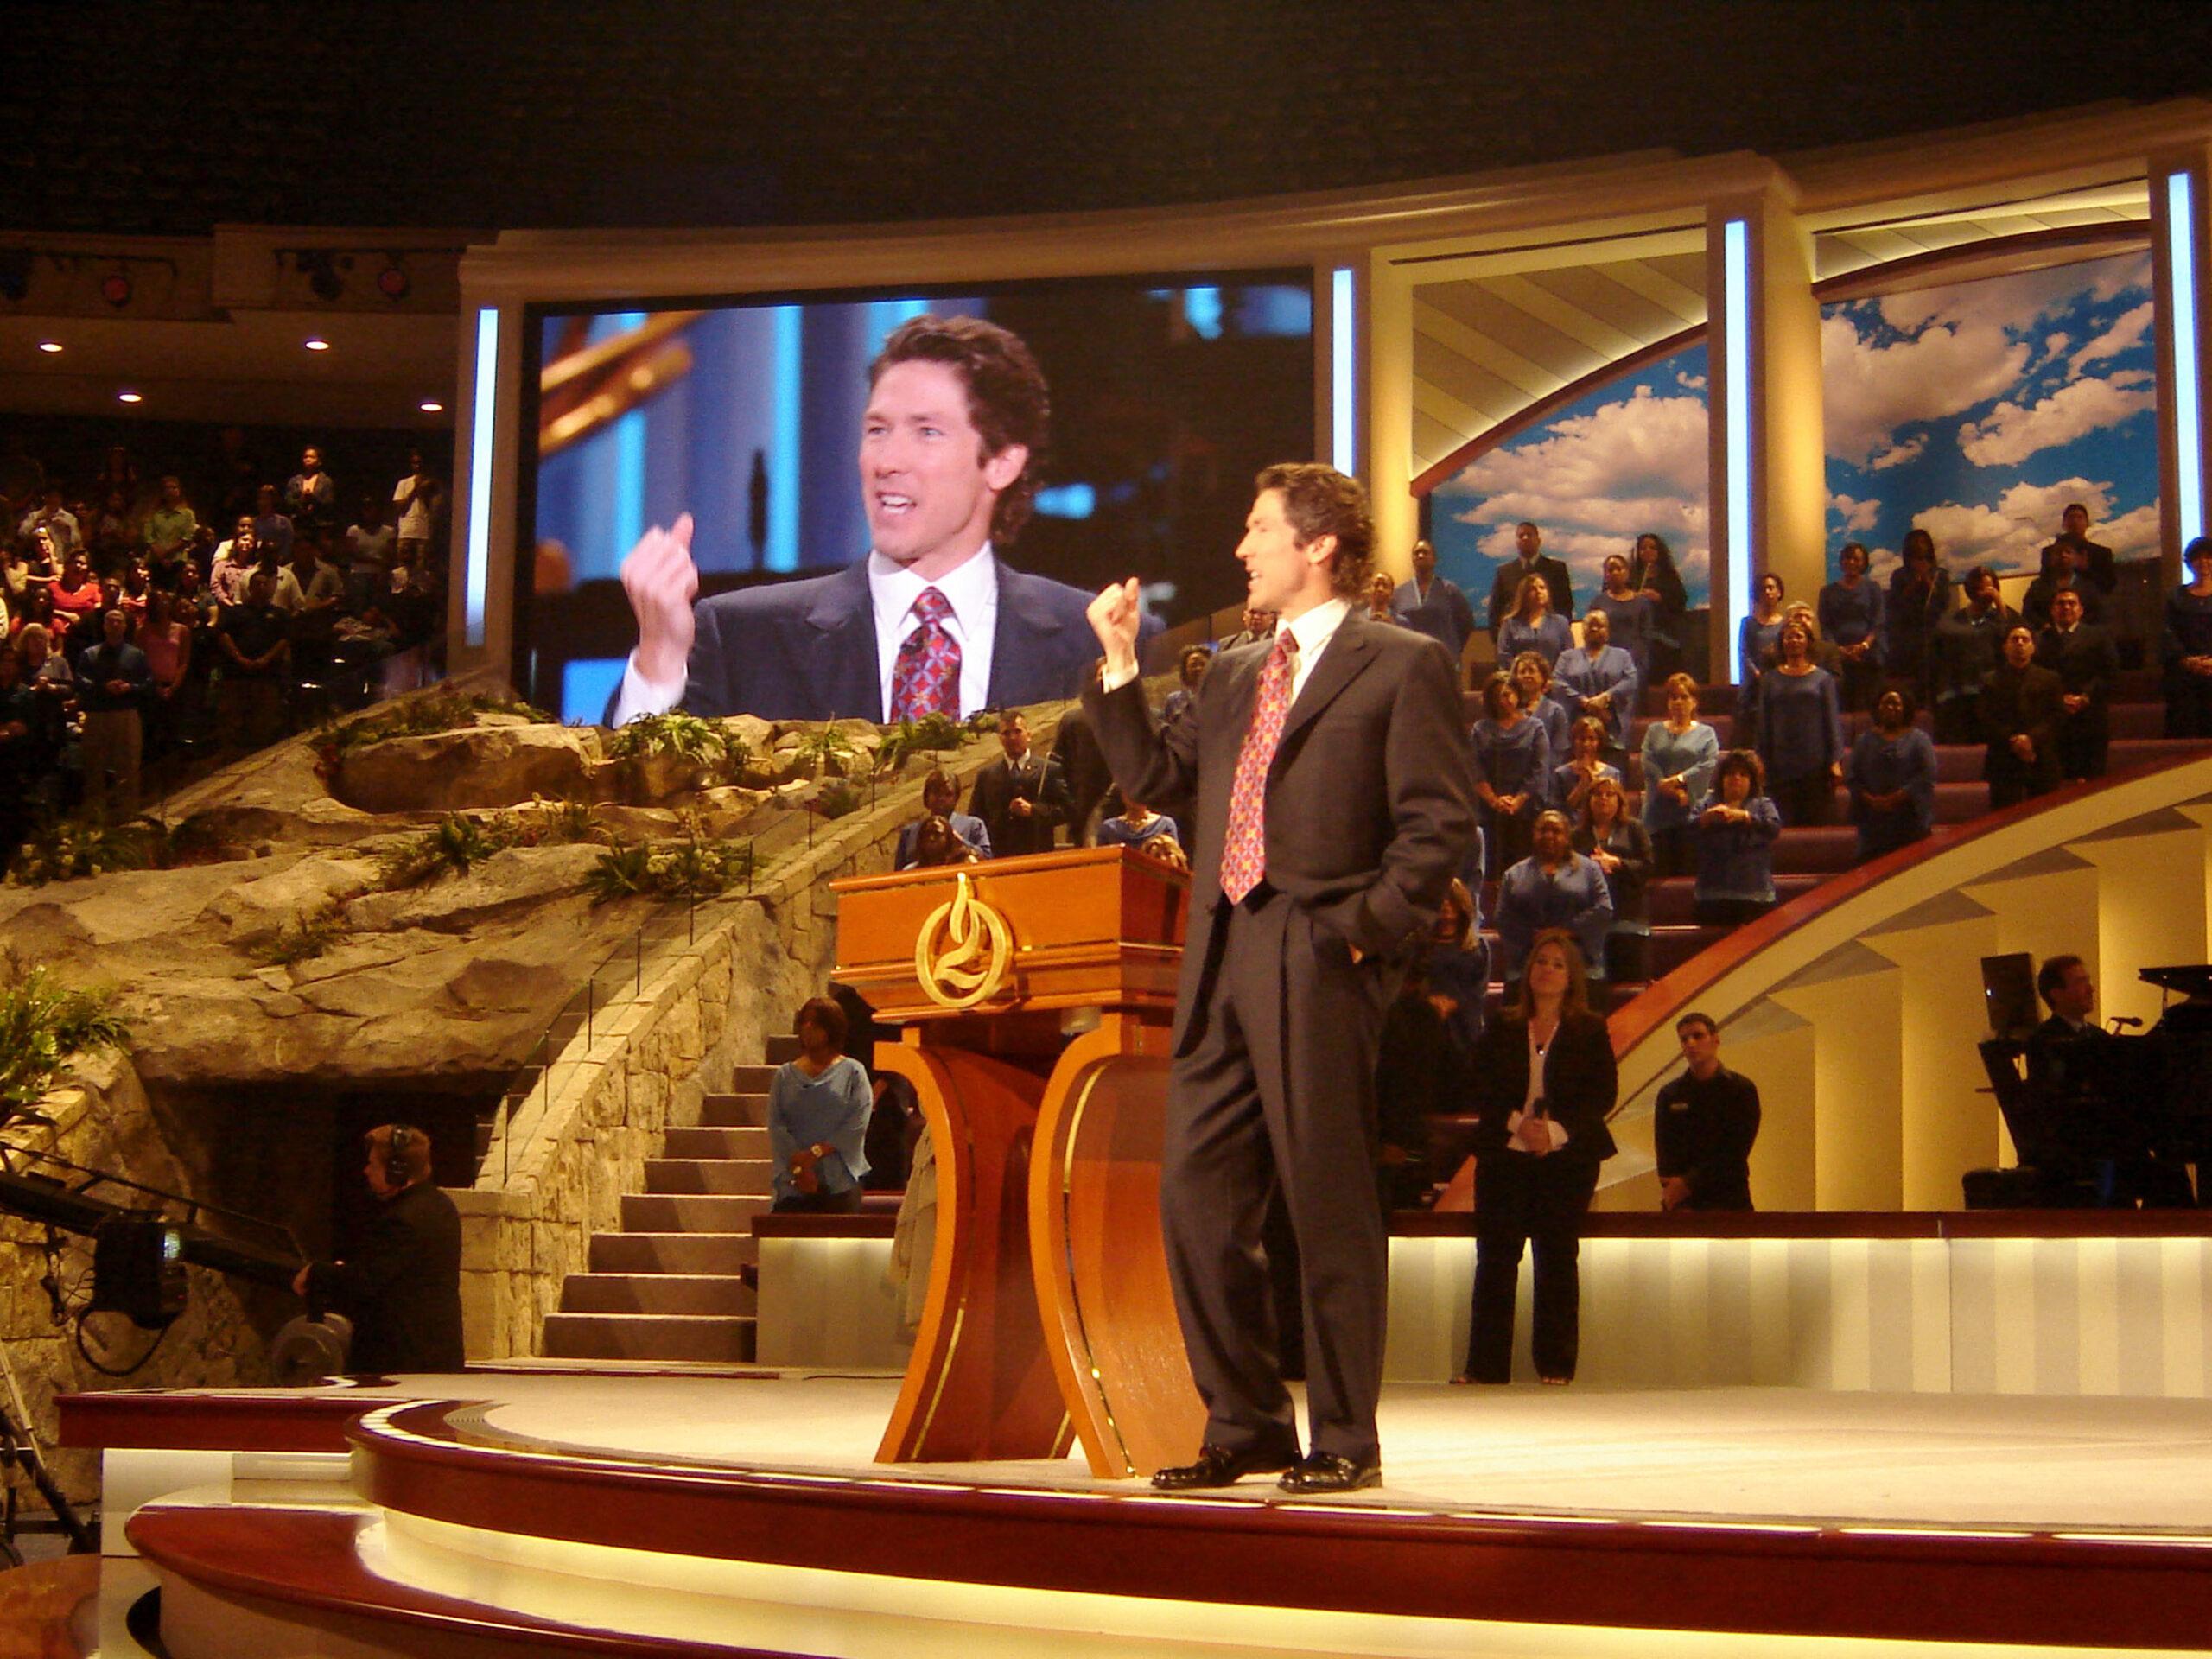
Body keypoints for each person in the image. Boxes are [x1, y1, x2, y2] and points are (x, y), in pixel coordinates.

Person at [1083, 460, 1475, 1495]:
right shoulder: (1233, 673)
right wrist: (1120, 665)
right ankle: (1244, 1421)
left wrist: (1357, 933)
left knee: (1327, 1202)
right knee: (1197, 1200)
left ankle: (1346, 1434)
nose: (1241, 548)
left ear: (1318, 548)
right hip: (1219, 954)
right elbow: (1160, 783)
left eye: (1258, 529)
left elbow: (1439, 823)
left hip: (1314, 951)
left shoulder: (1401, 664)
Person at [612, 314, 1144, 724]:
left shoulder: (1099, 643)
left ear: (1003, 462)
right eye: (877, 430)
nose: (887, 461)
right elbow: (630, 824)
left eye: (926, 431)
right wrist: (659, 659)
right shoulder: (743, 638)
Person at [1459, 929, 1618, 1384]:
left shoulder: (1590, 1029)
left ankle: (1556, 1364)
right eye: (1540, 962)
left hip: (1566, 1157)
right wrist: (1518, 1124)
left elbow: (1601, 1094)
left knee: (1557, 1257)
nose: (1546, 970)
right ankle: (1485, 1366)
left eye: (1557, 964)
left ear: (1572, 978)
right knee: (1495, 1258)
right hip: (1505, 1153)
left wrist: (1553, 1131)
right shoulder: (1503, 1024)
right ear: (1528, 972)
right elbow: (1481, 1086)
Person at [292, 1124, 464, 1374]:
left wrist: (317, 1273)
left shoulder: (402, 1219)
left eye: (373, 1165)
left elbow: (365, 1282)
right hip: (435, 1357)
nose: (366, 1171)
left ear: (396, 1172)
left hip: (402, 1364)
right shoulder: (441, 1205)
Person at [767, 996, 872, 1213]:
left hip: (840, 1182)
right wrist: (800, 1166)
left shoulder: (853, 1072)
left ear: (831, 1029)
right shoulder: (785, 1075)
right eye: (804, 1021)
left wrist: (815, 1154)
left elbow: (857, 1122)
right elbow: (777, 1125)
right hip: (795, 1180)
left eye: (815, 1023)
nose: (808, 1028)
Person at [1653, 1012, 1760, 1211]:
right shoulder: (1669, 1094)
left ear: (1715, 1039)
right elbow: (1665, 1154)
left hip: (1730, 1198)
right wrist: (1674, 1190)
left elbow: (1735, 1152)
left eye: (1698, 1036)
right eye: (1684, 1039)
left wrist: (1688, 1183)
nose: (1691, 1044)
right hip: (1683, 1203)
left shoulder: (1740, 1090)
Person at [1494, 810, 1612, 985]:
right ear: (1534, 834)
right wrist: (1536, 937)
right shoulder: (1514, 874)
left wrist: (1566, 931)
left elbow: (1604, 909)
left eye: (1556, 831)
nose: (1548, 835)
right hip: (1526, 963)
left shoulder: (1590, 870)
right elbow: (1503, 916)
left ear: (1567, 837)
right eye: (1543, 830)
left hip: (1580, 963)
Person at [1752, 617, 1844, 826]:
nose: (1793, 641)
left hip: (1815, 762)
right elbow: (1762, 723)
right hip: (1779, 763)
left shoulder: (1823, 679)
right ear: (1781, 642)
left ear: (1808, 642)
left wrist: (1835, 760)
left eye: (1798, 636)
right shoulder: (1770, 680)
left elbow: (1832, 721)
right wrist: (1759, 757)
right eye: (1788, 637)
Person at [1639, 672, 1720, 877]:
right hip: (1657, 810)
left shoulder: (1706, 733)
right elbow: (1648, 761)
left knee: (1687, 873)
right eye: (1673, 697)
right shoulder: (1654, 730)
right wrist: (1666, 787)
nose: (1678, 702)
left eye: (1684, 697)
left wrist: (1680, 780)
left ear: (1694, 701)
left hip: (1690, 810)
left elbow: (1707, 764)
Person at [1574, 775, 1653, 984]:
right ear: (1588, 801)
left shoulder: (1634, 829)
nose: (1603, 799)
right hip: (1590, 923)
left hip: (1628, 918)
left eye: (1610, 795)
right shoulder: (1577, 835)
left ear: (1620, 801)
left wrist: (1617, 863)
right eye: (1597, 794)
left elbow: (1648, 867)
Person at [1471, 671, 1549, 878]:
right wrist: (1494, 800)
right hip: (1489, 809)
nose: (1503, 701)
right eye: (1497, 696)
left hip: (1525, 808)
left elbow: (1539, 769)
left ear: (1517, 694)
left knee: (1524, 870)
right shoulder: (1481, 729)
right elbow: (1474, 768)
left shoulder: (1535, 727)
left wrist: (1518, 800)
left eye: (1507, 694)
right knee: (1490, 870)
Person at [2036, 586, 2118, 781]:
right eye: (2060, 603)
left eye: (2071, 603)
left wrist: (2085, 696)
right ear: (2052, 609)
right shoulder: (2038, 640)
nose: (2066, 607)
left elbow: (2109, 672)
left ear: (2081, 609)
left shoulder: (2099, 636)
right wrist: (2059, 699)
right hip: (2054, 720)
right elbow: (2036, 677)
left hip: (2091, 717)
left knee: (2092, 783)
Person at [73, 610, 149, 817]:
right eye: (110, 621)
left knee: (129, 766)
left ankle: (128, 813)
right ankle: (96, 815)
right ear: (104, 626)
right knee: (94, 767)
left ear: (125, 626)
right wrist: (103, 687)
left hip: (126, 714)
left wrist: (130, 687)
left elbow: (147, 683)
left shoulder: (136, 654)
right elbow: (80, 681)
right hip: (98, 715)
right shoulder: (90, 654)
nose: (115, 624)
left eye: (119, 621)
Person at [1846, 688, 1936, 862]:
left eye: (1895, 703)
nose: (1890, 708)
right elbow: (1853, 777)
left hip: (1909, 820)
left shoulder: (1919, 740)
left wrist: (1896, 798)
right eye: (1886, 703)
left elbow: (1926, 776)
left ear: (1905, 708)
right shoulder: (1864, 741)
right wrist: (1871, 800)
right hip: (1873, 822)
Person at [1693, 749, 1782, 925]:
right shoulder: (1706, 803)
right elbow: (1688, 832)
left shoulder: (1763, 804)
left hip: (1755, 895)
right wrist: (1705, 819)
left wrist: (1746, 817)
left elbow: (1773, 829)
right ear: (1722, 779)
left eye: (1743, 774)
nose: (1736, 778)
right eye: (1731, 773)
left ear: (1752, 781)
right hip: (1712, 895)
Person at [1981, 623, 2063, 810]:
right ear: (2005, 647)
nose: (2020, 643)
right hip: (2004, 757)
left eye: (2025, 640)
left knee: (2045, 818)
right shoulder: (1989, 680)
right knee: (2003, 820)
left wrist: (2031, 739)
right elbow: (1986, 718)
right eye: (2014, 639)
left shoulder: (2050, 679)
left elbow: (2057, 716)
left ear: (2033, 647)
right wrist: (2015, 741)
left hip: (2041, 755)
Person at [968, 709, 1070, 858]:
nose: (1012, 737)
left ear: (1028, 735)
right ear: (1000, 738)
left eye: (1017, 731)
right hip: (1000, 857)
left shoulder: (1048, 769)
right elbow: (976, 819)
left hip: (1038, 853)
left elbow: (1067, 810)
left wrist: (1034, 811)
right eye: (1006, 733)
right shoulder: (987, 776)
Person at [1933, 565, 2017, 744]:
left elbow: (2013, 637)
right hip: (1959, 695)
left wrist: (1999, 602)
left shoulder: (2001, 617)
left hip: (1992, 694)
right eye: (1980, 588)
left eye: (1990, 588)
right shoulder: (1951, 621)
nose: (1985, 593)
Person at [1550, 606, 1638, 752]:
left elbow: (1631, 680)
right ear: (1583, 630)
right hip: (1575, 722)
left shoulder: (1622, 656)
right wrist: (1583, 701)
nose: (1595, 629)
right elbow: (1557, 682)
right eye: (1591, 625)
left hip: (1612, 722)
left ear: (1608, 631)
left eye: (1600, 626)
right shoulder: (1567, 657)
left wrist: (1606, 697)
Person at [1885, 529, 1951, 705]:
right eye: (1916, 544)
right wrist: (1915, 583)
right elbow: (1896, 604)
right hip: (1907, 639)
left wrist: (1928, 581)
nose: (1920, 547)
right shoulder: (1899, 575)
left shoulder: (1940, 574)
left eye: (1923, 543)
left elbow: (1944, 603)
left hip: (1934, 636)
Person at [1818, 541, 1885, 713]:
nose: (1852, 563)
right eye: (1848, 558)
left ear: (1864, 563)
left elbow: (1878, 622)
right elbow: (1825, 626)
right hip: (1837, 657)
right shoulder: (1827, 592)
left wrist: (1863, 646)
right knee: (1841, 708)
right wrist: (1838, 650)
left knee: (1867, 707)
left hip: (1868, 656)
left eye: (1857, 559)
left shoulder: (1873, 588)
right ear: (1841, 561)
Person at [1391, 537, 1477, 665]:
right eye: (1417, 553)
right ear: (1412, 559)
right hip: (1410, 662)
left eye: (1425, 552)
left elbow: (1466, 623)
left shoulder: (1449, 590)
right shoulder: (1399, 594)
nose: (1420, 556)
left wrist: (1452, 647)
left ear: (1434, 559)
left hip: (1443, 660)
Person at [1486, 520, 1575, 639]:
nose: (1525, 538)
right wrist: (1500, 639)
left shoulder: (1556, 569)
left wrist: (1560, 636)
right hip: (1515, 641)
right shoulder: (1504, 572)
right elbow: (1495, 610)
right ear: (1516, 542)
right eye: (1521, 536)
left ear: (1538, 541)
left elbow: (1566, 606)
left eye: (1529, 534)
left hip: (1550, 641)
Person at [2164, 536, 2212, 740]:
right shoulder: (2176, 596)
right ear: (2189, 563)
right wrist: (2186, 660)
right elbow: (2168, 633)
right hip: (2184, 675)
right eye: (2197, 558)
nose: (2203, 562)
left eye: (2209, 557)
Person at [893, 767, 991, 868]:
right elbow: (898, 874)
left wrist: (961, 842)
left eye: (948, 794)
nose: (941, 798)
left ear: (956, 797)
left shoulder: (973, 825)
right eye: (936, 793)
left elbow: (988, 859)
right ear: (926, 797)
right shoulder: (910, 833)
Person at [1587, 552, 1657, 684]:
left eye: (1619, 569)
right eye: (1610, 570)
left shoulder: (1641, 603)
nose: (1615, 573)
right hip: (1604, 664)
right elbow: (1591, 635)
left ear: (1627, 573)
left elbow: (1646, 635)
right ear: (1605, 575)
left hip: (1635, 664)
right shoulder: (1597, 603)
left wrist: (1627, 659)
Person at [1630, 531, 1688, 680]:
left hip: (1665, 641)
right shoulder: (1633, 577)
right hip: (1640, 640)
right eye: (1643, 548)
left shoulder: (1669, 576)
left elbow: (1680, 603)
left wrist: (1660, 598)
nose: (1647, 551)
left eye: (1652, 548)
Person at [2021, 537, 2105, 632]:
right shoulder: (2038, 585)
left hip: (2083, 638)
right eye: (2058, 552)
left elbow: (2097, 615)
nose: (2063, 555)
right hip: (2046, 638)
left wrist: (2076, 628)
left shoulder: (2089, 587)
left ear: (2076, 558)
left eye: (2068, 552)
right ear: (2051, 558)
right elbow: (2028, 613)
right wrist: (2045, 626)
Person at [1497, 572, 1571, 671]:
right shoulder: (1510, 624)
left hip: (1553, 682)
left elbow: (1568, 656)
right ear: (1524, 595)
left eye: (1542, 588)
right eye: (1533, 589)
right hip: (1519, 681)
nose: (1539, 591)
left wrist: (1552, 679)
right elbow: (1504, 656)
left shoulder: (1560, 623)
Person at [1550, 714, 1620, 820]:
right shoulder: (1560, 774)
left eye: (1592, 739)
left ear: (1599, 742)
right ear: (1574, 741)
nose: (1586, 744)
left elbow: (1616, 808)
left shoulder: (1612, 774)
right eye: (1582, 739)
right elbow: (1559, 812)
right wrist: (1582, 784)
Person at [2039, 502, 2117, 595]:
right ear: (2064, 523)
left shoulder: (2102, 553)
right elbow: (2043, 584)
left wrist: (2085, 569)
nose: (2075, 521)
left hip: (2091, 605)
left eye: (2080, 517)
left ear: (2087, 523)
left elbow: (2109, 586)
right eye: (2071, 517)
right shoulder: (2049, 553)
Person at [1509, 650, 1569, 763]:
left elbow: (1559, 751)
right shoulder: (1509, 708)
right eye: (1522, 672)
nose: (1527, 675)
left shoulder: (1556, 711)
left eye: (1531, 671)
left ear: (1543, 677)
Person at [1096, 792, 1186, 866]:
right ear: (1122, 794)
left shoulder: (1166, 824)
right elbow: (1100, 865)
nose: (1137, 796)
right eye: (1132, 791)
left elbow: (1176, 861)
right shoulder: (1108, 828)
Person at [1738, 570, 1786, 691]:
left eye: (1771, 588)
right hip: (1754, 685)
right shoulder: (1748, 623)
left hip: (1781, 682)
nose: (1767, 592)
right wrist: (1757, 673)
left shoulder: (1786, 624)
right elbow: (1744, 653)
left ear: (1779, 592)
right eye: (1763, 589)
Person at [285, 446, 337, 532]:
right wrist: (301, 500)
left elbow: (329, 503)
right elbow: (287, 501)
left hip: (320, 525)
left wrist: (313, 498)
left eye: (312, 457)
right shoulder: (294, 481)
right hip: (298, 524)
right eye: (306, 457)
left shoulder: (326, 481)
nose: (308, 459)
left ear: (319, 462)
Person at [1161, 644, 1211, 725]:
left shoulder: (1220, 697)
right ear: (1185, 670)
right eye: (1193, 665)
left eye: (1203, 664)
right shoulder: (1174, 700)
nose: (1198, 668)